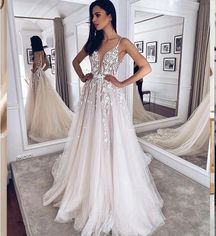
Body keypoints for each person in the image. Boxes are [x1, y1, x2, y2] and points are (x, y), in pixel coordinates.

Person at [43, 0, 165, 235]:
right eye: (92, 16)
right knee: (89, 141)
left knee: (111, 142)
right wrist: (83, 77)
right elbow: (75, 62)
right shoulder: (93, 42)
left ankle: (111, 187)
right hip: (91, 98)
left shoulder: (123, 42)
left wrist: (122, 83)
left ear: (110, 15)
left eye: (97, 15)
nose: (94, 20)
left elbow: (145, 67)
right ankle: (88, 185)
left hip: (110, 100)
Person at [25, 36, 73, 142]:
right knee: (44, 99)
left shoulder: (36, 53)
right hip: (41, 76)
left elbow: (34, 67)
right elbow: (47, 64)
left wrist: (34, 71)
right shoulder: (42, 52)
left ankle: (41, 124)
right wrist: (41, 70)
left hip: (37, 77)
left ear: (34, 44)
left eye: (31, 43)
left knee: (38, 99)